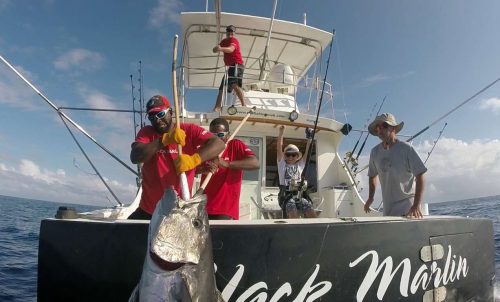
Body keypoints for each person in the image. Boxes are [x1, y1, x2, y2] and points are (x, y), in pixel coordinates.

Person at [128, 95, 225, 220]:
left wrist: (194, 160)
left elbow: (218, 144)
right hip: (149, 211)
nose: (157, 120)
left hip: (178, 213)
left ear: (171, 112)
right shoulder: (147, 132)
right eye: (152, 116)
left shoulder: (189, 130)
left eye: (161, 114)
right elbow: (135, 156)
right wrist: (164, 140)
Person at [364, 113, 427, 218]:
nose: (380, 130)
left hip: (407, 207)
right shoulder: (374, 152)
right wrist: (371, 198)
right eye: (378, 127)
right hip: (388, 208)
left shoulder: (406, 149)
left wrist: (416, 205)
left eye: (384, 125)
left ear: (393, 128)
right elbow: (372, 175)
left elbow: (420, 175)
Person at [198, 118, 260, 220]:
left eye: (221, 135)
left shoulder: (235, 145)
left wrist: (227, 164)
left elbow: (255, 163)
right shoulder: (206, 147)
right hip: (203, 206)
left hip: (225, 209)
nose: (217, 138)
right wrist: (202, 169)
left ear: (228, 134)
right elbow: (191, 169)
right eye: (213, 135)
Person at [276, 125, 316, 218]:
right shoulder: (282, 164)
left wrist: (309, 139)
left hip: (299, 195)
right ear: (284, 155)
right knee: (292, 208)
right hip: (286, 196)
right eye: (288, 155)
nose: (290, 157)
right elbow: (279, 148)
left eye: (293, 155)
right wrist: (281, 133)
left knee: (309, 208)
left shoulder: (300, 165)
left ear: (297, 156)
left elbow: (307, 152)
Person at [212, 25, 245, 111]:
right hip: (230, 67)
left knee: (234, 84)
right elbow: (215, 50)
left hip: (237, 65)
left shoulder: (234, 40)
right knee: (222, 88)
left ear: (233, 33)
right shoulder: (223, 41)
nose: (230, 33)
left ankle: (244, 105)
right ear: (226, 32)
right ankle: (217, 108)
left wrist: (221, 48)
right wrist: (216, 49)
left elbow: (231, 49)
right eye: (228, 31)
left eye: (232, 31)